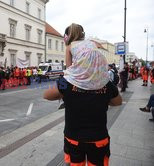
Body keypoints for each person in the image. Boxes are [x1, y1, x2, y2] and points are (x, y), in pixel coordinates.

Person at [44, 23, 122, 166]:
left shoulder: (66, 83)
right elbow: (118, 102)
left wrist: (67, 75)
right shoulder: (105, 82)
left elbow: (47, 95)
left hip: (74, 139)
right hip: (99, 139)